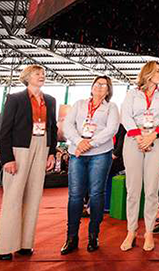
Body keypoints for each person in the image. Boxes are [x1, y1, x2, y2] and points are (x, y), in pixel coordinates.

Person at [0, 65, 58, 261]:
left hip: (42, 147)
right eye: (37, 73)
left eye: (43, 74)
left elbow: (53, 128)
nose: (41, 76)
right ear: (27, 77)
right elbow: (4, 131)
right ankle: (5, 246)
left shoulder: (50, 100)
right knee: (13, 198)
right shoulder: (14, 99)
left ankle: (25, 244)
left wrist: (52, 153)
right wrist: (7, 158)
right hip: (19, 148)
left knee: (33, 196)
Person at [60, 76, 120, 255]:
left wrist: (90, 143)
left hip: (100, 154)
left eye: (104, 85)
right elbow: (68, 125)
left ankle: (93, 235)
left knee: (96, 194)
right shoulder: (79, 104)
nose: (99, 87)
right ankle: (71, 237)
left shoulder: (111, 107)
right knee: (75, 195)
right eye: (97, 84)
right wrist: (79, 141)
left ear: (108, 90)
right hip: (77, 153)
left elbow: (112, 129)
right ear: (91, 87)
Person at [120, 61, 159, 252]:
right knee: (133, 189)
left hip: (156, 141)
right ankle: (131, 230)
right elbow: (125, 116)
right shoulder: (132, 94)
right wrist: (139, 137)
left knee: (151, 189)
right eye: (158, 71)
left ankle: (149, 231)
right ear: (148, 73)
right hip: (134, 141)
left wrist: (152, 136)